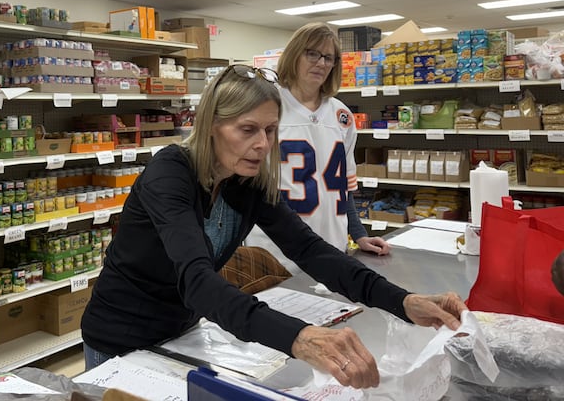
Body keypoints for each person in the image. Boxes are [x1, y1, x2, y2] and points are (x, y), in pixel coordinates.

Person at [80, 63, 467, 389]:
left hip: (181, 335)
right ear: (211, 125)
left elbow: (311, 251)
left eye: (270, 130)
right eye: (247, 130)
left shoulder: (246, 181)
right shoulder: (170, 174)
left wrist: (401, 301)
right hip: (120, 339)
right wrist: (297, 337)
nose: (263, 144)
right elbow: (196, 279)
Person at [247, 23, 389, 268]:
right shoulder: (267, 106)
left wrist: (359, 234)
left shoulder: (341, 115)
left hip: (332, 247)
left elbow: (343, 187)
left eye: (329, 57)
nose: (321, 63)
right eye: (312, 53)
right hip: (275, 251)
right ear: (294, 55)